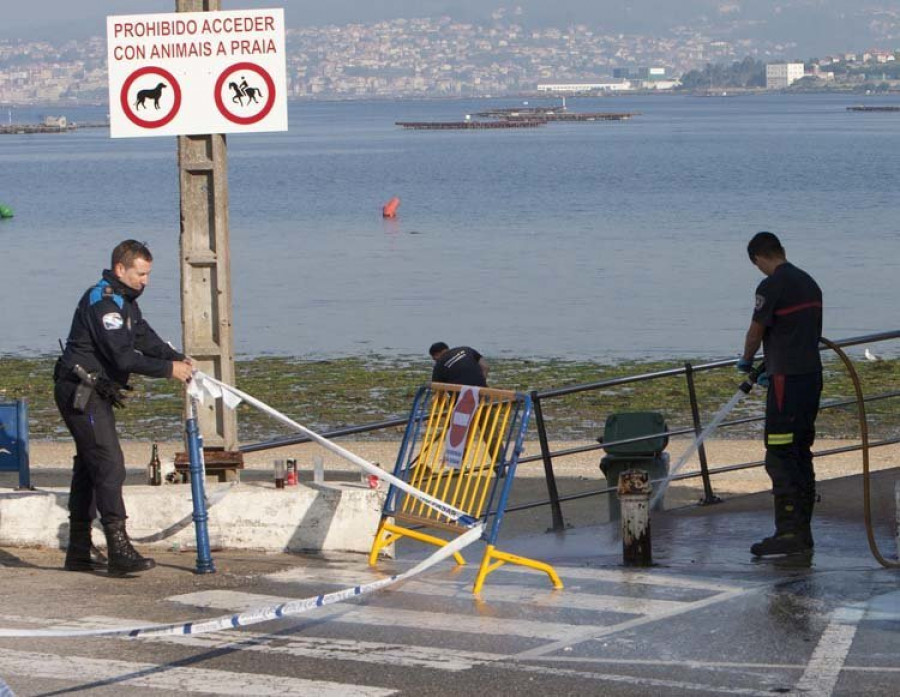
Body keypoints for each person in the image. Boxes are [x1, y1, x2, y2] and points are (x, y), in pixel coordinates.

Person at [54, 240, 193, 576]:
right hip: (80, 391)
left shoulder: (125, 303)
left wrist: (176, 357)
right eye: (140, 273)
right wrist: (168, 371)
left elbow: (143, 338)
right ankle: (118, 548)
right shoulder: (104, 304)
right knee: (110, 464)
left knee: (90, 467)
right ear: (120, 269)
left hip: (96, 391)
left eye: (148, 274)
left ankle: (78, 550)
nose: (145, 280)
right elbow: (123, 357)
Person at [737, 232, 823, 557]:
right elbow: (800, 333)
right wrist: (767, 365)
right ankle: (802, 532)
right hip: (810, 377)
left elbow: (756, 331)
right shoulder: (809, 282)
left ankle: (788, 533)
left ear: (759, 258)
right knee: (801, 452)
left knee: (779, 453)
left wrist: (746, 362)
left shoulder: (771, 285)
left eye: (756, 265)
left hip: (787, 381)